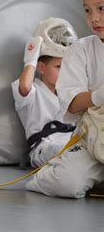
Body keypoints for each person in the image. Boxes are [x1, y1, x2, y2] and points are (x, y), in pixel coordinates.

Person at [26, 0, 104, 198]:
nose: (94, 18)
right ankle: (47, 175)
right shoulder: (80, 50)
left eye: (102, 8)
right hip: (93, 136)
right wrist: (99, 96)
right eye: (87, 10)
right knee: (67, 182)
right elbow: (71, 104)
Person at [11, 17, 78, 168]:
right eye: (59, 66)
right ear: (41, 67)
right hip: (45, 147)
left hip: (74, 141)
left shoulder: (72, 92)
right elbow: (24, 88)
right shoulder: (34, 91)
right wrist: (31, 59)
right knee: (69, 152)